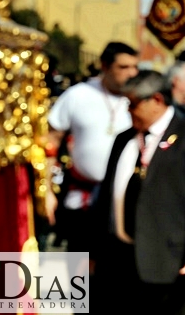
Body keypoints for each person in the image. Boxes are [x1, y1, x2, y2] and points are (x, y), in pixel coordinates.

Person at [90, 70, 185, 314]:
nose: (128, 110)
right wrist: (93, 251)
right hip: (120, 259)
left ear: (157, 100)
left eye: (133, 103)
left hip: (168, 262)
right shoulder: (123, 140)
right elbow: (105, 198)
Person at [46, 41, 139, 252]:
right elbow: (50, 141)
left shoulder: (140, 99)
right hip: (82, 200)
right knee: (76, 272)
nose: (132, 73)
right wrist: (47, 190)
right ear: (105, 66)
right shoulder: (78, 94)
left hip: (124, 202)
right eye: (124, 67)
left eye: (135, 67)